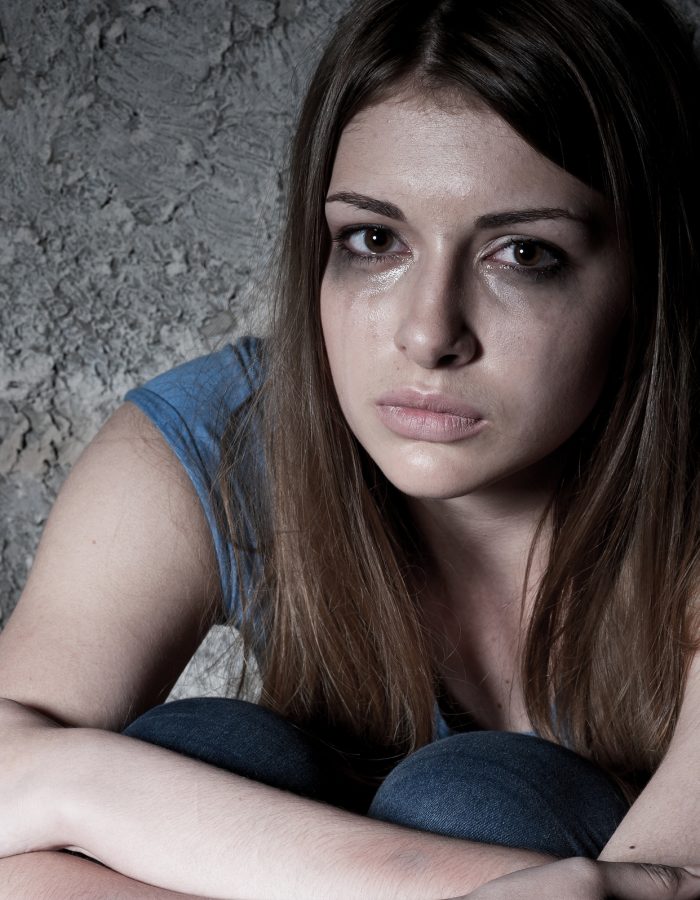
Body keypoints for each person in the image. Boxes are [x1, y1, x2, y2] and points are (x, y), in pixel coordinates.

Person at [1, 0, 700, 896]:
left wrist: (72, 783)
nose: (428, 332)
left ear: (653, 275)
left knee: (477, 800)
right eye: (374, 241)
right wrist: (79, 780)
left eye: (524, 254)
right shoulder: (226, 435)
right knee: (210, 752)